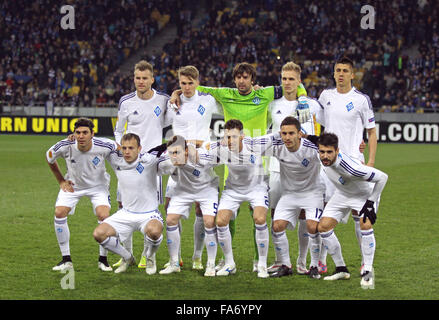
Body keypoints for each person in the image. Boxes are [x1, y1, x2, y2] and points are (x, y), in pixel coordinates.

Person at [170, 62, 309, 272]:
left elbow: (294, 86)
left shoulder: (266, 94)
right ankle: (226, 260)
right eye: (239, 77)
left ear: (253, 79)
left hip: (259, 165)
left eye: (246, 77)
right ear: (234, 79)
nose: (242, 81)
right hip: (231, 162)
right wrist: (176, 92)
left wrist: (304, 96)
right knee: (228, 217)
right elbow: (197, 88)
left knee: (259, 215)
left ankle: (257, 260)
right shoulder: (225, 94)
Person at [316, 56, 378, 271]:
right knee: (324, 211)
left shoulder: (361, 100)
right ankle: (322, 261)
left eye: (345, 70)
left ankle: (365, 261)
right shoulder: (325, 97)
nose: (341, 74)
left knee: (359, 215)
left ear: (353, 74)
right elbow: (323, 125)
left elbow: (371, 132)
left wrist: (369, 161)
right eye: (337, 70)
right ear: (333, 73)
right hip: (328, 166)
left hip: (354, 163)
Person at [248, 116, 325, 279]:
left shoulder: (311, 148)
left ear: (299, 134)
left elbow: (330, 154)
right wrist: (273, 136)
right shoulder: (277, 145)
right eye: (284, 134)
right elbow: (252, 146)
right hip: (289, 194)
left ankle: (314, 266)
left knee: (312, 226)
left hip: (312, 193)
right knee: (277, 226)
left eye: (291, 133)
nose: (287, 137)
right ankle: (286, 265)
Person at [113, 60, 171, 269]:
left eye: (145, 78)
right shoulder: (126, 101)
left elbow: (173, 119)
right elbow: (119, 129)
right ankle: (126, 255)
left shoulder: (163, 100)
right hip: (129, 161)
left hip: (151, 163)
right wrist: (121, 147)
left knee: (151, 207)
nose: (140, 81)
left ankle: (148, 254)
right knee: (123, 206)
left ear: (152, 79)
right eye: (137, 78)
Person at [267, 61, 323, 275]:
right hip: (276, 167)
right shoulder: (272, 104)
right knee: (275, 215)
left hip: (305, 168)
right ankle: (282, 260)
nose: (287, 82)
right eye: (284, 78)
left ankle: (302, 259)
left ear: (299, 81)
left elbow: (324, 130)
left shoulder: (311, 105)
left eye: (292, 79)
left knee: (304, 215)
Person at [164, 65, 223, 271]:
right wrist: (175, 94)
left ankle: (198, 257)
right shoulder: (172, 105)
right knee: (169, 208)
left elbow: (231, 102)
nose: (187, 87)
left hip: (201, 159)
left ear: (198, 82)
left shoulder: (208, 100)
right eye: (183, 83)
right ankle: (175, 258)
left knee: (201, 209)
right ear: (179, 83)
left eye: (190, 83)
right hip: (178, 161)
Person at [315, 132, 388, 289]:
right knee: (323, 227)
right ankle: (341, 269)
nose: (325, 156)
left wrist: (370, 203)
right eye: (322, 152)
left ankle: (367, 272)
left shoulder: (350, 168)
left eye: (329, 152)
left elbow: (383, 177)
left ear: (337, 150)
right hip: (342, 194)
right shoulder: (321, 156)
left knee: (365, 225)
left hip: (364, 195)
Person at [46, 117, 118, 272]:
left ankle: (103, 260)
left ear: (92, 133)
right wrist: (61, 181)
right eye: (78, 132)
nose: (81, 136)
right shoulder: (66, 145)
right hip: (73, 186)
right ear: (73, 133)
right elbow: (49, 157)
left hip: (98, 187)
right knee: (59, 212)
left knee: (104, 216)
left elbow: (119, 148)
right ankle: (66, 259)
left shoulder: (104, 144)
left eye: (85, 132)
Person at [200, 119, 270, 278]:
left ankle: (262, 264)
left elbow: (277, 137)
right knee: (220, 221)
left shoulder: (255, 144)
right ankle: (230, 263)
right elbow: (202, 147)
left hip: (257, 188)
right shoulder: (221, 147)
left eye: (234, 136)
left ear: (243, 136)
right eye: (227, 137)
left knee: (259, 218)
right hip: (233, 190)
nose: (230, 140)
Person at [93, 133, 166, 275]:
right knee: (99, 234)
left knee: (155, 232)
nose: (127, 151)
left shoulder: (149, 160)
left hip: (149, 214)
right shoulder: (116, 159)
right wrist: (74, 138)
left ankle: (150, 256)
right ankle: (127, 257)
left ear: (139, 148)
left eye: (131, 148)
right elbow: (100, 143)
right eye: (124, 148)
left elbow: (165, 148)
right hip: (125, 213)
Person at [158, 136, 219, 277]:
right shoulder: (167, 162)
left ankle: (210, 264)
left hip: (207, 190)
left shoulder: (203, 156)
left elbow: (221, 151)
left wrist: (193, 142)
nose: (174, 157)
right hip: (184, 190)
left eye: (177, 152)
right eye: (171, 153)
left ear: (186, 151)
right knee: (170, 220)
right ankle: (174, 263)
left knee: (209, 222)